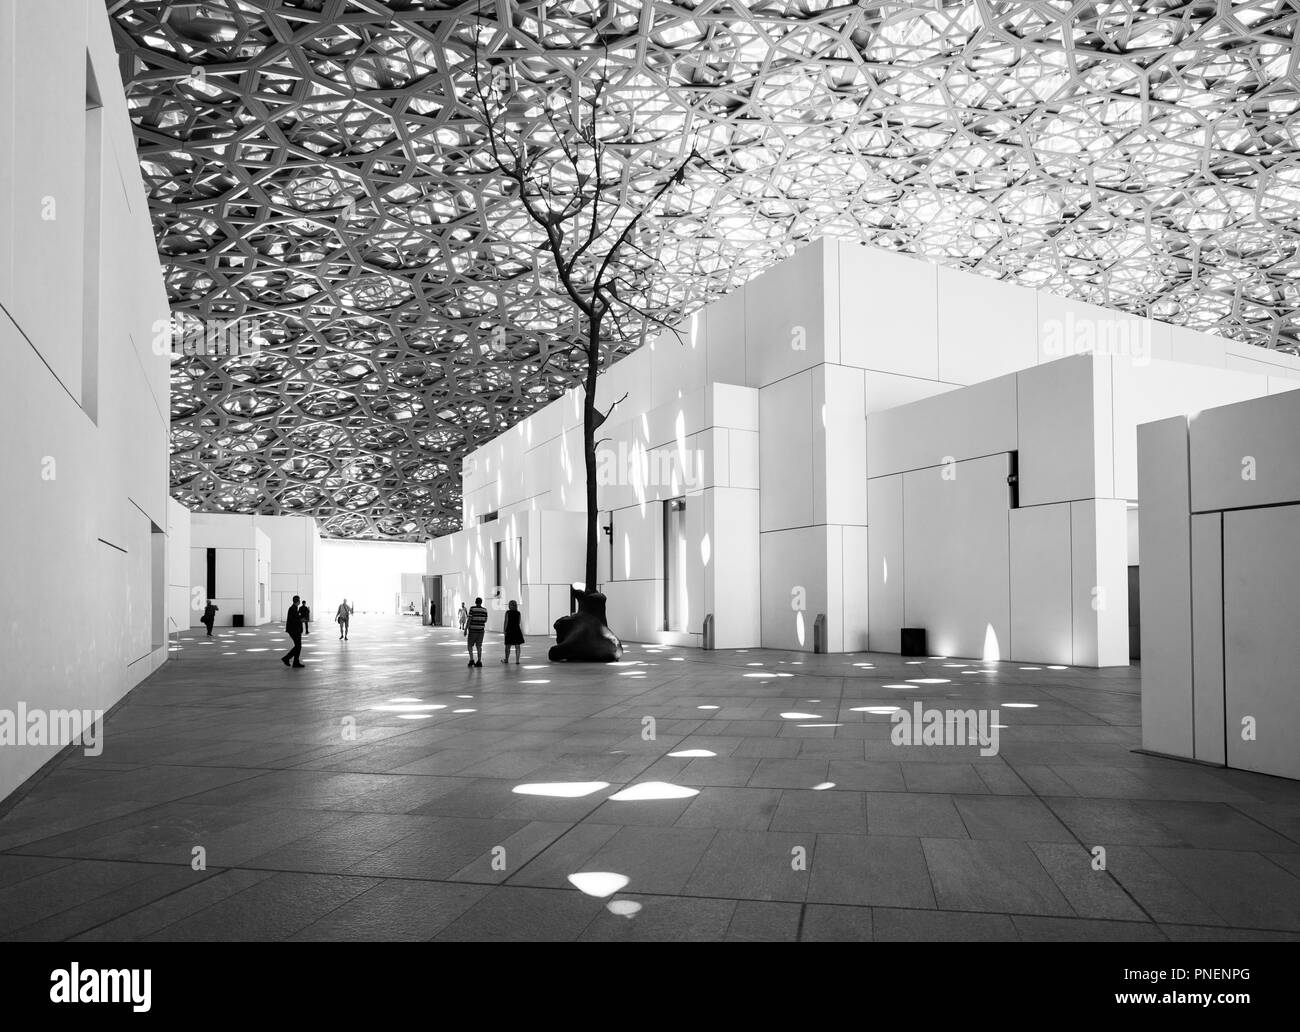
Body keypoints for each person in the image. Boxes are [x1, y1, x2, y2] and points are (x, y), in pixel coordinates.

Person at [281, 595, 305, 668]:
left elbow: (294, 619)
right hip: (294, 631)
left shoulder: (294, 608)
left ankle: (294, 661)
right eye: (299, 600)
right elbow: (293, 621)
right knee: (298, 646)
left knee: (298, 646)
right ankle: (287, 659)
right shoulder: (293, 609)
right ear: (298, 601)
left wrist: (300, 619)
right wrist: (301, 620)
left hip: (294, 630)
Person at [465, 597, 488, 667]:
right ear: (481, 602)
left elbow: (469, 619)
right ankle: (479, 661)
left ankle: (471, 660)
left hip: (472, 630)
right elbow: (485, 620)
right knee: (479, 646)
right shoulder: (485, 610)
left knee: (470, 645)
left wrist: (466, 629)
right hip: (481, 630)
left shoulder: (472, 609)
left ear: (475, 602)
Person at [501, 600, 524, 664]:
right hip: (517, 630)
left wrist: (504, 630)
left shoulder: (508, 612)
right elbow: (519, 622)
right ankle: (517, 661)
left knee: (508, 646)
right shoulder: (518, 613)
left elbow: (506, 622)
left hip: (509, 630)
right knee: (517, 646)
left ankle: (506, 659)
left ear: (510, 606)